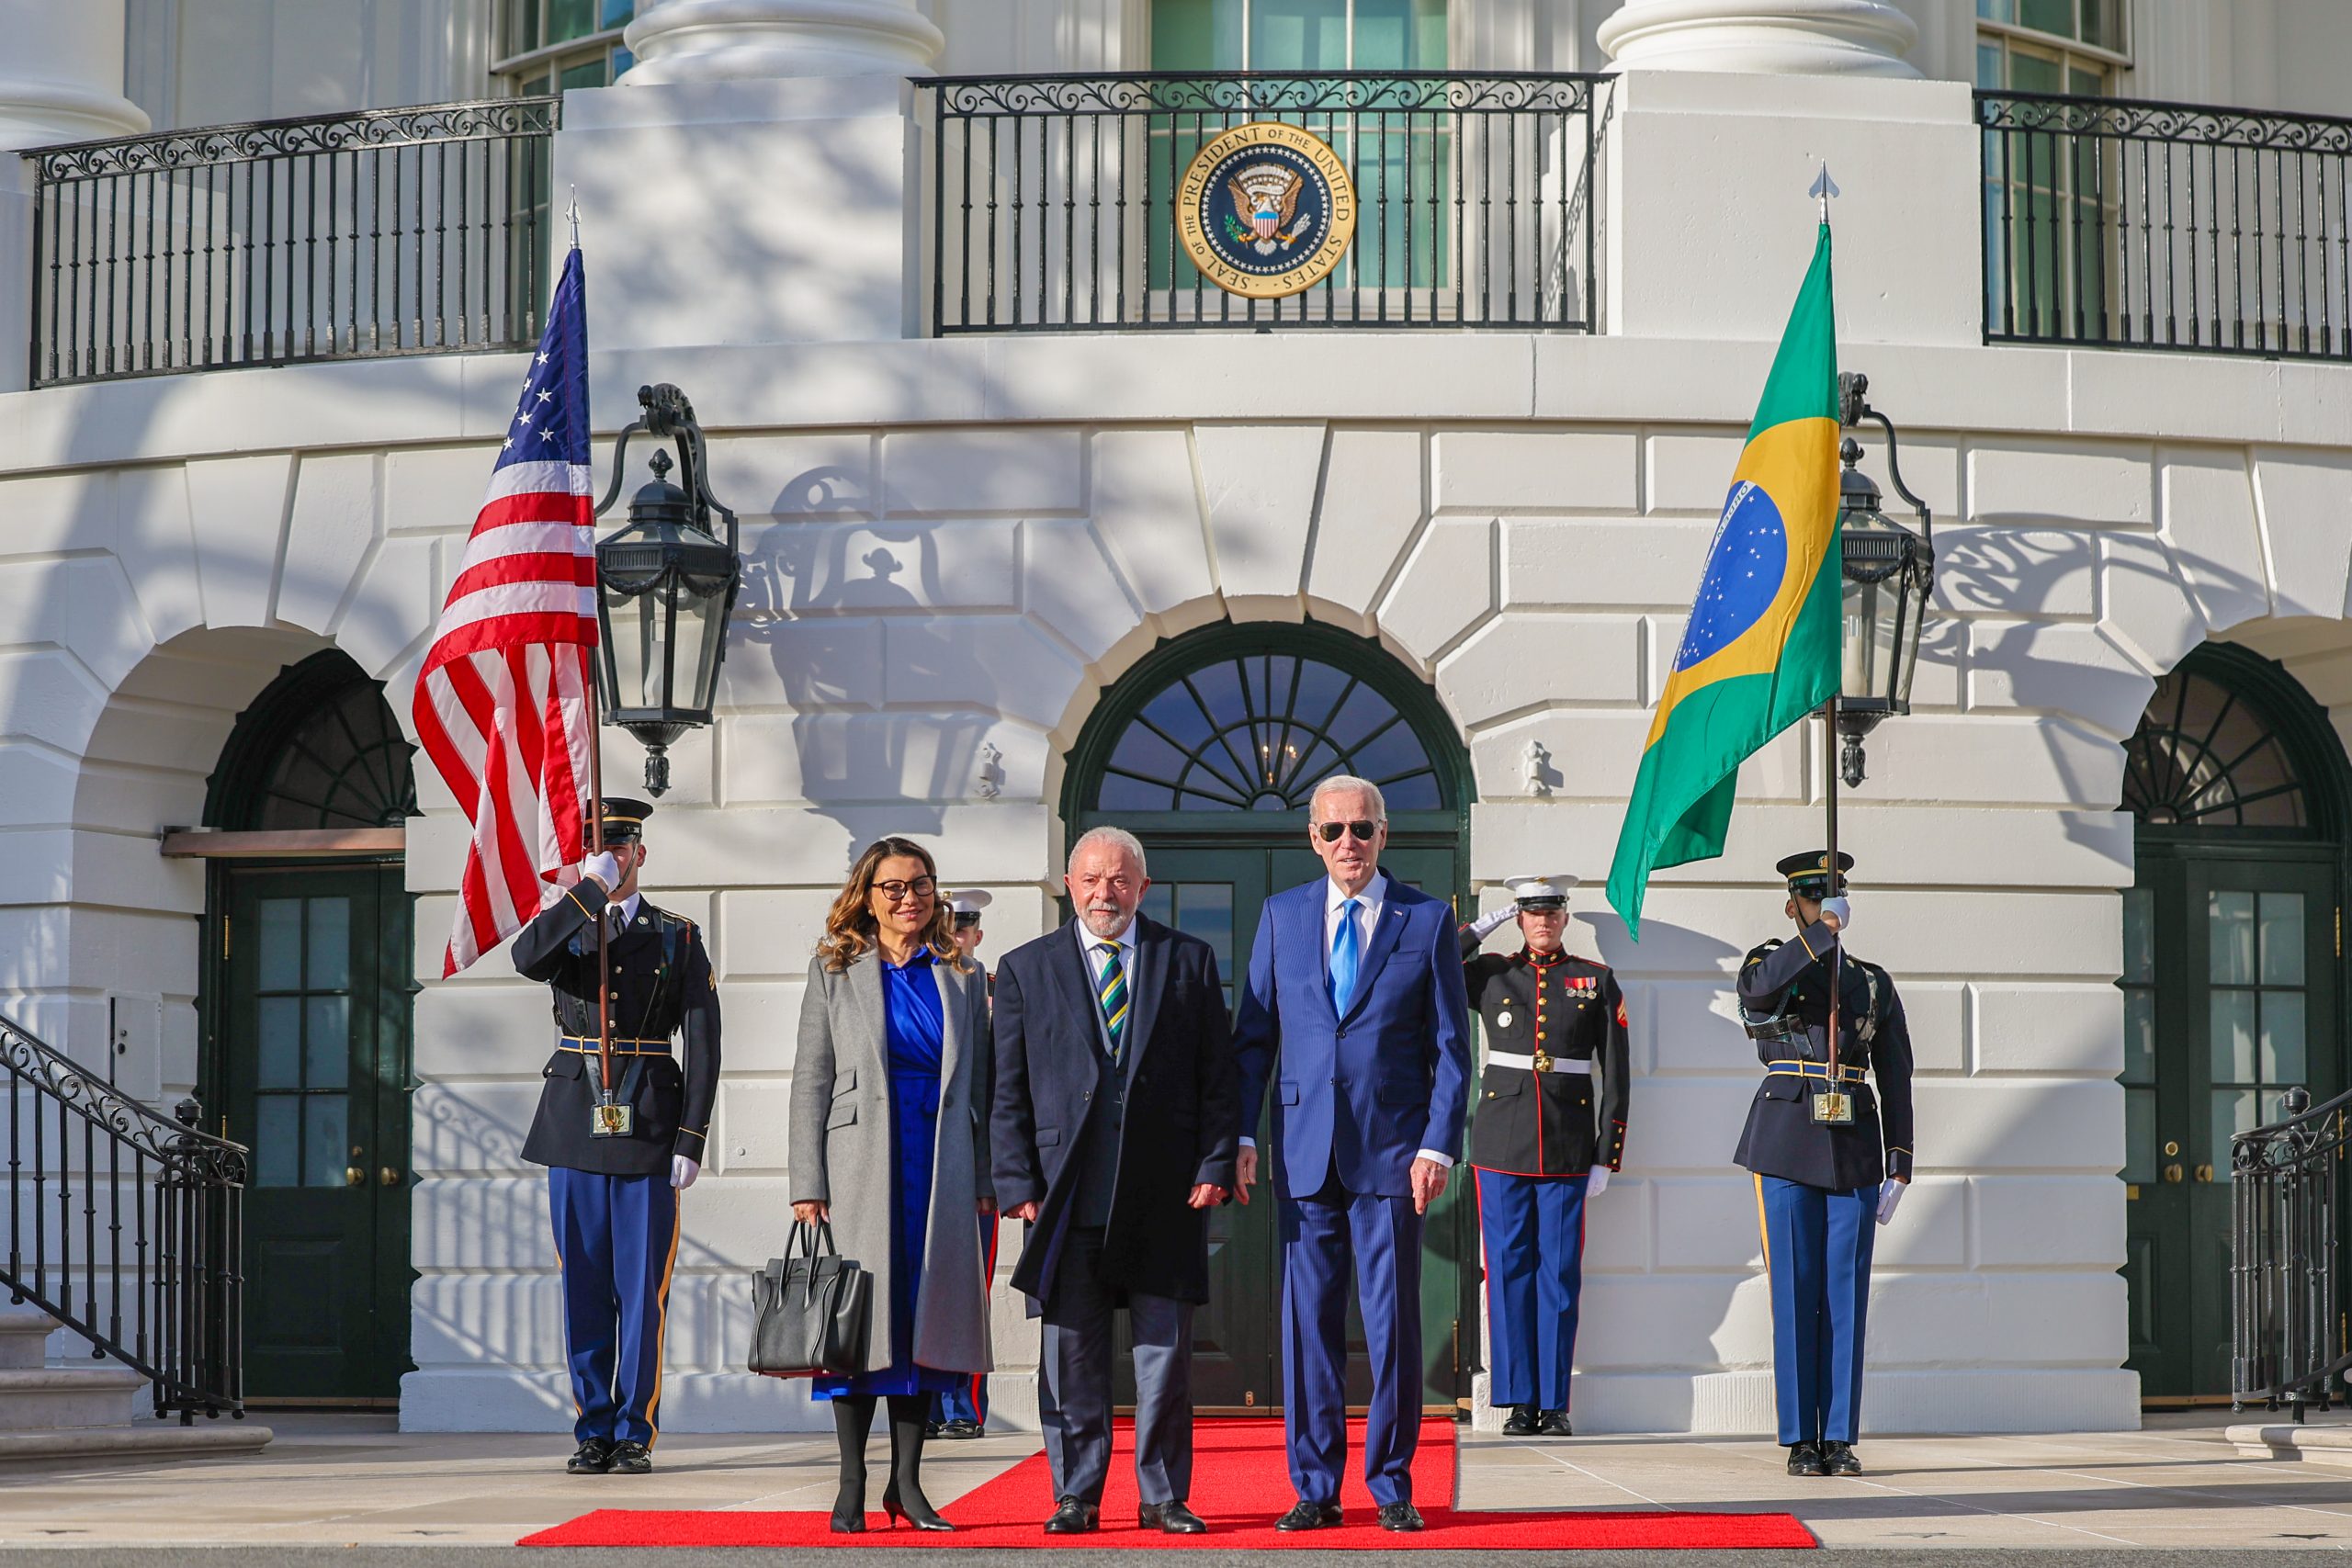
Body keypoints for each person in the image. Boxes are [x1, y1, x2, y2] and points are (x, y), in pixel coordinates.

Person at [1231, 775, 1473, 1533]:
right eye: (1334, 830)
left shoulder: (1425, 920)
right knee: (1307, 1325)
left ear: (1383, 835)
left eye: (1362, 829)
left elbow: (1451, 1048)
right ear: (1313, 837)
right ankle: (1315, 1483)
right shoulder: (1281, 915)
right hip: (1304, 1154)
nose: (1348, 844)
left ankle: (1393, 1480)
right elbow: (1254, 1039)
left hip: (1394, 1155)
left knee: (1392, 1322)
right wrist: (1243, 1135)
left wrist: (1437, 1142)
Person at [992, 828, 1238, 1535]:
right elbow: (1007, 1087)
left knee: (1165, 1362)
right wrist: (1015, 1180)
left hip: (1166, 1194)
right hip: (1065, 1195)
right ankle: (1077, 1491)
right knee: (1072, 1358)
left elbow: (1217, 1078)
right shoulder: (1023, 969)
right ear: (1069, 885)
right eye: (1093, 879)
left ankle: (1163, 1494)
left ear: (1143, 887)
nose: (1107, 892)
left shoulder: (1186, 960)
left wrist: (1217, 1162)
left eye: (1121, 879)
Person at [789, 838, 995, 1533]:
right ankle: (851, 1483)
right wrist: (805, 1182)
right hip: (857, 1166)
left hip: (941, 1163)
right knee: (858, 1326)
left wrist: (987, 1177)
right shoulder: (835, 967)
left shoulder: (964, 972)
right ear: (868, 895)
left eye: (922, 884)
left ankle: (907, 1484)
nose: (911, 898)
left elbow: (986, 1086)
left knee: (926, 1327)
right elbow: (810, 1079)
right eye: (895, 887)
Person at [512, 796, 719, 1478]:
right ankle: (593, 1424)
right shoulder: (567, 928)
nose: (615, 858)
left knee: (641, 1287)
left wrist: (691, 1135)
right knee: (585, 1286)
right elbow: (525, 957)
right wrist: (587, 893)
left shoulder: (676, 936)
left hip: (650, 1121)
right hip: (575, 1122)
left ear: (641, 852)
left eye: (622, 849)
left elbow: (705, 1042)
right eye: (601, 850)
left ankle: (635, 1427)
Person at [1736, 851, 1915, 1480]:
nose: (1826, 901)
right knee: (1795, 1291)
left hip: (1854, 1143)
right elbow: (1758, 993)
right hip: (1785, 1139)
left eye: (1834, 893)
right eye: (1813, 895)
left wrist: (1900, 1162)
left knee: (1844, 1294)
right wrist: (1818, 936)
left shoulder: (1871, 982)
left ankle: (1837, 1434)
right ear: (1794, 906)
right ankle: (1798, 1439)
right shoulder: (1770, 961)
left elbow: (1896, 1073)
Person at [1459, 874, 1631, 1439]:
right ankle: (1516, 1400)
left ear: (1563, 918)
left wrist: (1608, 1153)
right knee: (1507, 1270)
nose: (1542, 923)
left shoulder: (1596, 980)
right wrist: (1481, 926)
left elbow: (1617, 1074)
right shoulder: (1490, 973)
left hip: (1566, 1142)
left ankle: (1553, 1400)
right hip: (1501, 1141)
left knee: (1557, 1272)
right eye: (1531, 914)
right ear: (1521, 918)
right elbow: (1429, 967)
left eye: (1551, 913)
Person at [931, 890, 997, 1440]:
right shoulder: (919, 985)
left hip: (975, 1159)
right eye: (947, 928)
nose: (956, 938)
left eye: (964, 929)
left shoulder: (997, 992)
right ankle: (926, 1405)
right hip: (923, 1154)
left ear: (977, 935)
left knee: (969, 1291)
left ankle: (963, 1407)